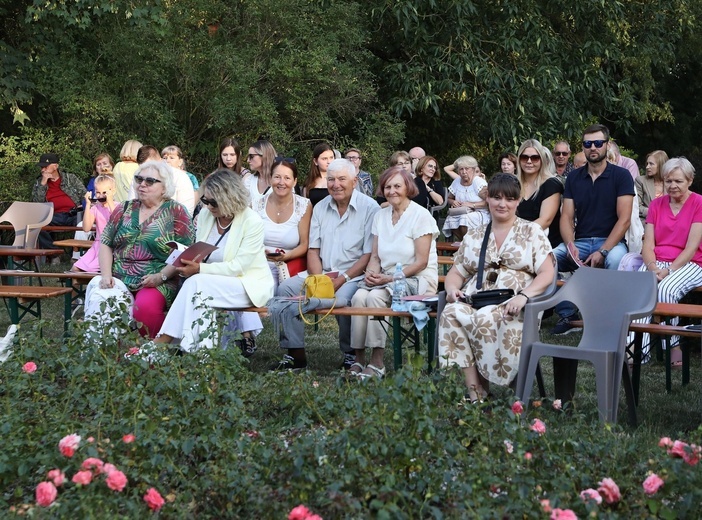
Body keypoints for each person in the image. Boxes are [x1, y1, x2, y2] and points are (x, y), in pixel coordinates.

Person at [438, 173, 555, 402]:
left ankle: (491, 387)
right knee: (451, 313)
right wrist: (452, 289)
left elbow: (547, 273)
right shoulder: (475, 234)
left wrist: (524, 296)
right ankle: (476, 392)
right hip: (478, 298)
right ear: (488, 199)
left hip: (515, 305)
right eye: (497, 197)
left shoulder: (531, 232)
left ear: (518, 201)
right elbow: (456, 272)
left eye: (510, 199)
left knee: (483, 318)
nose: (503, 204)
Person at [271, 158, 379, 371]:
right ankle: (295, 354)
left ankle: (350, 353)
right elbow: (313, 249)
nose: (336, 184)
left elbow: (368, 254)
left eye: (342, 179)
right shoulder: (320, 207)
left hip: (353, 275)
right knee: (284, 290)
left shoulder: (370, 208)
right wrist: (319, 280)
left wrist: (341, 280)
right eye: (331, 179)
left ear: (355, 181)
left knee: (345, 299)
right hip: (323, 272)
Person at [149, 170, 274, 353]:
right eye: (205, 201)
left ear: (229, 198)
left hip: (247, 283)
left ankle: (163, 342)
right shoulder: (207, 216)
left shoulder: (252, 221)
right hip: (211, 283)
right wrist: (185, 260)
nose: (208, 206)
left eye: (213, 202)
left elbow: (239, 267)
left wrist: (200, 269)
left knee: (197, 283)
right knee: (199, 293)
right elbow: (200, 250)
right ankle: (203, 357)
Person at [84, 160, 194, 338]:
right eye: (139, 179)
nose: (142, 184)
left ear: (164, 187)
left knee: (145, 310)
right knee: (103, 307)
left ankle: (153, 358)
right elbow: (105, 242)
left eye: (150, 181)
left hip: (158, 277)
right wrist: (105, 275)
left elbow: (184, 251)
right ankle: (108, 361)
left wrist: (161, 276)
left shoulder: (176, 211)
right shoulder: (125, 208)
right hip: (118, 276)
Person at [349, 166, 439, 379]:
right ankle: (359, 359)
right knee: (359, 295)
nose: (392, 191)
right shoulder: (380, 216)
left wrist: (390, 278)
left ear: (408, 187)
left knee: (376, 296)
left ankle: (377, 361)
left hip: (418, 278)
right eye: (387, 187)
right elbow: (375, 257)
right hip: (386, 277)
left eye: (397, 186)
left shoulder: (420, 215)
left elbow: (421, 261)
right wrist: (371, 274)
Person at [550, 123, 635, 334]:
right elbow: (567, 216)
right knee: (548, 260)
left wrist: (603, 250)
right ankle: (568, 315)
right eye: (588, 144)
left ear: (607, 145)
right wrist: (570, 246)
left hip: (611, 243)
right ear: (583, 147)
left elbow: (624, 220)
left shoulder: (621, 176)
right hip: (580, 241)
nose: (593, 147)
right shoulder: (573, 178)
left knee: (615, 260)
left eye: (598, 143)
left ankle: (608, 320)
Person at [639, 157, 702, 365]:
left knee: (666, 289)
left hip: (690, 262)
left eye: (678, 181)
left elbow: (692, 247)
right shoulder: (656, 205)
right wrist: (652, 266)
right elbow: (648, 244)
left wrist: (668, 271)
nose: (672, 186)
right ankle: (637, 349)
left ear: (690, 181)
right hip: (657, 262)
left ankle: (673, 344)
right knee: (637, 289)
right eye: (668, 181)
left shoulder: (698, 203)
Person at [254, 158, 312, 290]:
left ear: (294, 181)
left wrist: (287, 256)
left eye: (287, 178)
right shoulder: (256, 205)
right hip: (259, 264)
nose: (281, 182)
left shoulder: (304, 206)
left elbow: (305, 244)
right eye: (277, 177)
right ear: (270, 179)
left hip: (289, 266)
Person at [31, 153, 86, 251]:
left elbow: (84, 194)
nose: (43, 170)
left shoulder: (70, 178)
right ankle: (54, 253)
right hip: (53, 216)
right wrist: (43, 184)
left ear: (55, 166)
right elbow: (36, 203)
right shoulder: (39, 182)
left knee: (84, 222)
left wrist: (83, 206)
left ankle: (76, 254)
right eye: (41, 167)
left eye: (45, 166)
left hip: (73, 214)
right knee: (37, 224)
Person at [515, 139, 564, 248]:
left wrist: (515, 236)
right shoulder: (513, 184)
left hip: (545, 244)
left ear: (542, 160)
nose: (529, 161)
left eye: (534, 158)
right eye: (524, 157)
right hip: (515, 242)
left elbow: (545, 221)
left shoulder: (551, 184)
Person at [127, 146, 195, 215]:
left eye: (150, 181)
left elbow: (186, 212)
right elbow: (130, 207)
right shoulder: (138, 176)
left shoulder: (180, 177)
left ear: (160, 160)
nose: (142, 184)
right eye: (143, 167)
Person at [72, 175, 118, 273]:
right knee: (75, 268)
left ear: (113, 191)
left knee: (91, 269)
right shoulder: (95, 208)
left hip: (112, 247)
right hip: (97, 245)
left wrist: (110, 202)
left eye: (104, 192)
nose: (101, 196)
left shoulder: (118, 207)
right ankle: (78, 288)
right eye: (98, 192)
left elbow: (118, 223)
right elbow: (86, 228)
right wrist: (88, 205)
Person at [442, 155, 489, 240]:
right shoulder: (456, 181)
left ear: (473, 170)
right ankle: (463, 242)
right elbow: (449, 198)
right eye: (461, 169)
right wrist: (453, 202)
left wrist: (471, 205)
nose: (464, 172)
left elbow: (489, 201)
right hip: (462, 212)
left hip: (481, 213)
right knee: (450, 218)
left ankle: (467, 243)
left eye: (467, 169)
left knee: (465, 218)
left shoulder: (478, 182)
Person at [635, 150, 669, 225]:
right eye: (647, 164)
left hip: (668, 222)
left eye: (651, 164)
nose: (647, 167)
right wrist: (652, 212)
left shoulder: (671, 182)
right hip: (646, 222)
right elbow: (636, 205)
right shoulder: (641, 181)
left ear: (661, 165)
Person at [245, 140, 278, 205]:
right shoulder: (249, 181)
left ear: (264, 156)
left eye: (251, 156)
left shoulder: (280, 180)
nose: (248, 160)